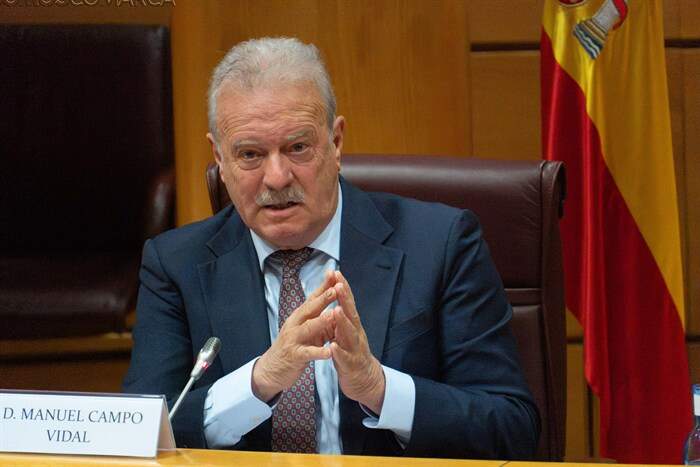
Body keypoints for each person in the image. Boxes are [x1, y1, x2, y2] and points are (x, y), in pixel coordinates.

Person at [123, 37, 539, 459]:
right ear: (219, 158)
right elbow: (139, 434)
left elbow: (512, 427)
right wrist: (257, 383)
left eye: (297, 147)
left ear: (336, 142)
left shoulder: (441, 245)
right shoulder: (175, 264)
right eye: (250, 154)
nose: (277, 177)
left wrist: (378, 388)